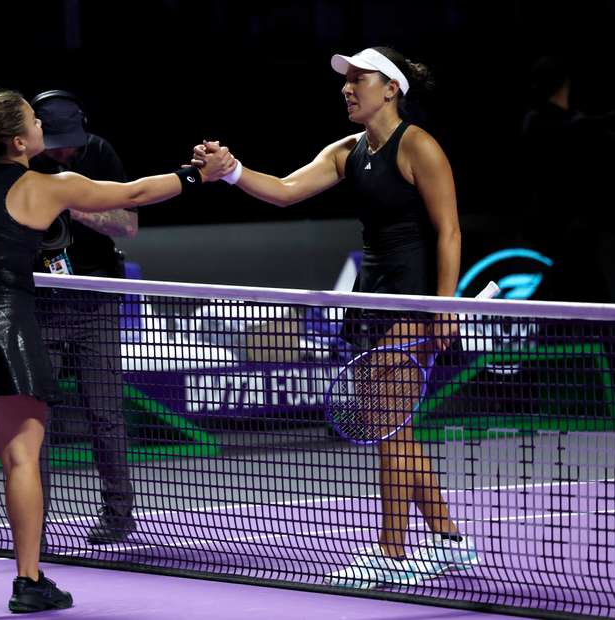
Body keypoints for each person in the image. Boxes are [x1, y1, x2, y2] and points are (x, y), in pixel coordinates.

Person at [0, 89, 234, 613]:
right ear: (20, 140)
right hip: (5, 325)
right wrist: (200, 175)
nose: (42, 126)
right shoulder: (47, 187)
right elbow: (135, 193)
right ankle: (29, 581)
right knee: (21, 457)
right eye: (35, 121)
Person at [193, 47, 472, 589]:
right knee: (394, 425)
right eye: (345, 81)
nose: (347, 88)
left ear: (390, 88)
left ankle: (392, 551)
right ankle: (449, 539)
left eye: (359, 79)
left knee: (389, 427)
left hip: (412, 299)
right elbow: (284, 191)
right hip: (372, 295)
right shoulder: (348, 151)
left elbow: (450, 230)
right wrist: (231, 172)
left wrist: (444, 305)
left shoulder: (420, 147)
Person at [28, 90, 137, 545]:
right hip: (39, 301)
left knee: (104, 413)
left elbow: (127, 226)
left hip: (96, 298)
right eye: (55, 143)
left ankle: (118, 515)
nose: (64, 151)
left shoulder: (99, 152)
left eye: (69, 142)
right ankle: (33, 519)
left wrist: (66, 202)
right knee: (35, 419)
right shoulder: (19, 160)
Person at [520, 56, 615, 302]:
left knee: (586, 289)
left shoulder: (577, 124)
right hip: (558, 227)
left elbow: (614, 139)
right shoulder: (542, 123)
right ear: (565, 84)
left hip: (582, 229)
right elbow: (583, 128)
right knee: (576, 289)